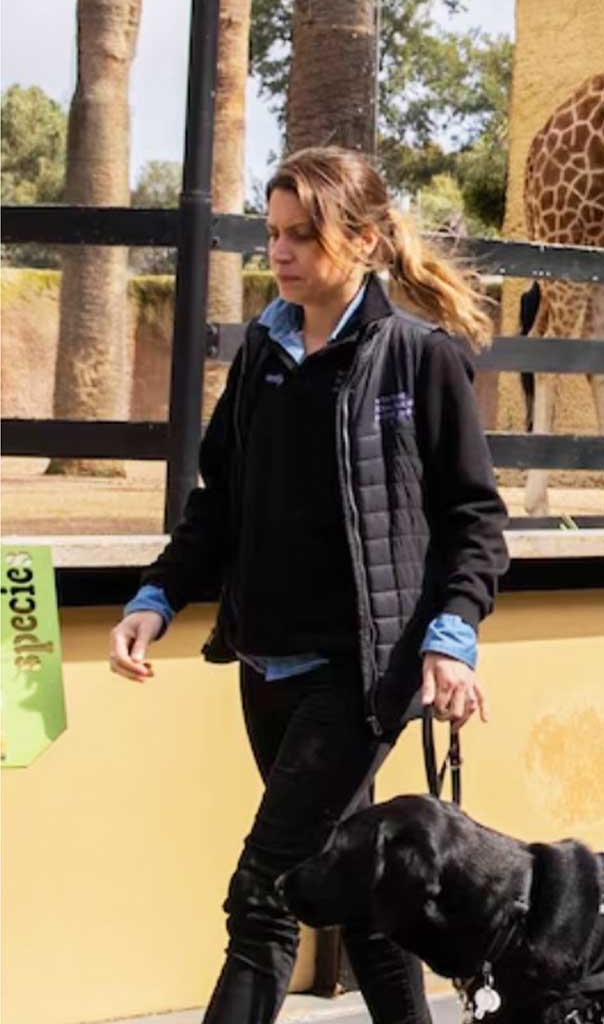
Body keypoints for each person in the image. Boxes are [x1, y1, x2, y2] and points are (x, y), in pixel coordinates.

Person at [106, 146, 510, 1023]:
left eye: (301, 235)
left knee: (267, 890)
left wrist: (450, 638)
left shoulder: (419, 358)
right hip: (265, 666)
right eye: (273, 233)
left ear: (362, 242)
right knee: (361, 897)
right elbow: (218, 504)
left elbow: (474, 522)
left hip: (360, 677)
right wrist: (155, 599)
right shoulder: (264, 354)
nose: (279, 253)